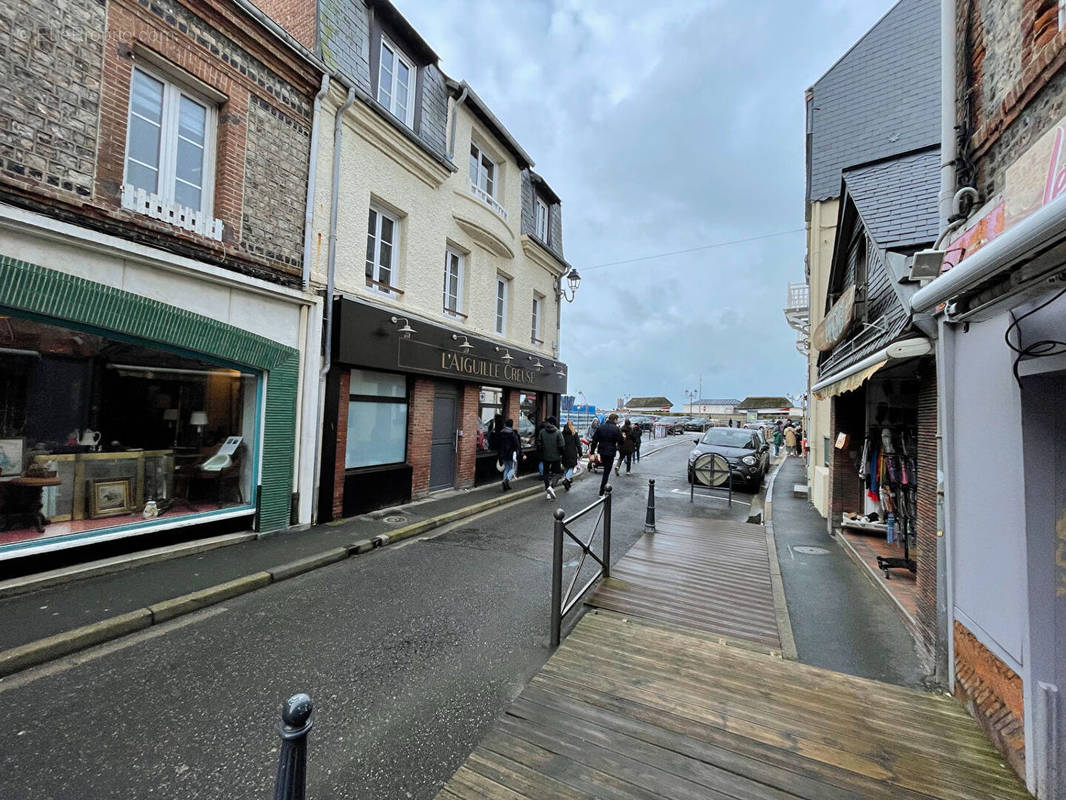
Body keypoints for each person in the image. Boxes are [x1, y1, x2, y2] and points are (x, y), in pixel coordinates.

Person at [590, 413, 623, 496]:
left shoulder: (601, 427)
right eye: (617, 420)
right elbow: (621, 441)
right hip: (611, 452)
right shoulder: (616, 429)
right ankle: (602, 491)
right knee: (606, 472)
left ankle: (603, 489)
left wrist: (592, 452)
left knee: (604, 467)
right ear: (615, 419)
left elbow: (594, 441)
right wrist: (617, 446)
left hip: (602, 451)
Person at [538, 416, 565, 499]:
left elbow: (539, 444)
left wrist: (542, 452)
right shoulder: (558, 432)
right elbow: (562, 445)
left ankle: (548, 493)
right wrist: (561, 454)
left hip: (545, 456)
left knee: (545, 473)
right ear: (553, 423)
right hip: (556, 457)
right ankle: (551, 486)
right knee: (558, 473)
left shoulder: (542, 432)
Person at [496, 418, 521, 492]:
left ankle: (505, 485)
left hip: (503, 454)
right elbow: (517, 444)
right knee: (513, 468)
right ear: (512, 425)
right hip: (511, 454)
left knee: (507, 468)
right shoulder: (513, 434)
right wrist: (518, 452)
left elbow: (498, 444)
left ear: (505, 424)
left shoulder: (501, 433)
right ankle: (506, 480)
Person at [561, 420, 580, 491]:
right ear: (572, 426)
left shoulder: (562, 433)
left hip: (564, 453)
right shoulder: (574, 433)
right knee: (571, 467)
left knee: (566, 467)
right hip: (572, 453)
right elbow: (578, 445)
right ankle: (566, 479)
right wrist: (580, 453)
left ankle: (567, 485)